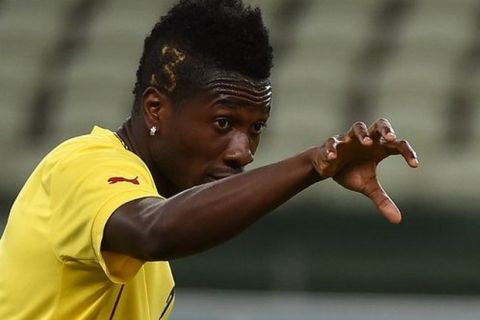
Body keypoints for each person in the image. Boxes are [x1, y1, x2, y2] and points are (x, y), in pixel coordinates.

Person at [0, 0, 419, 319]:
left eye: (256, 128)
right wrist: (314, 164)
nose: (243, 152)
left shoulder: (155, 267)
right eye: (223, 123)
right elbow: (154, 230)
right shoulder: (85, 162)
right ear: (155, 109)